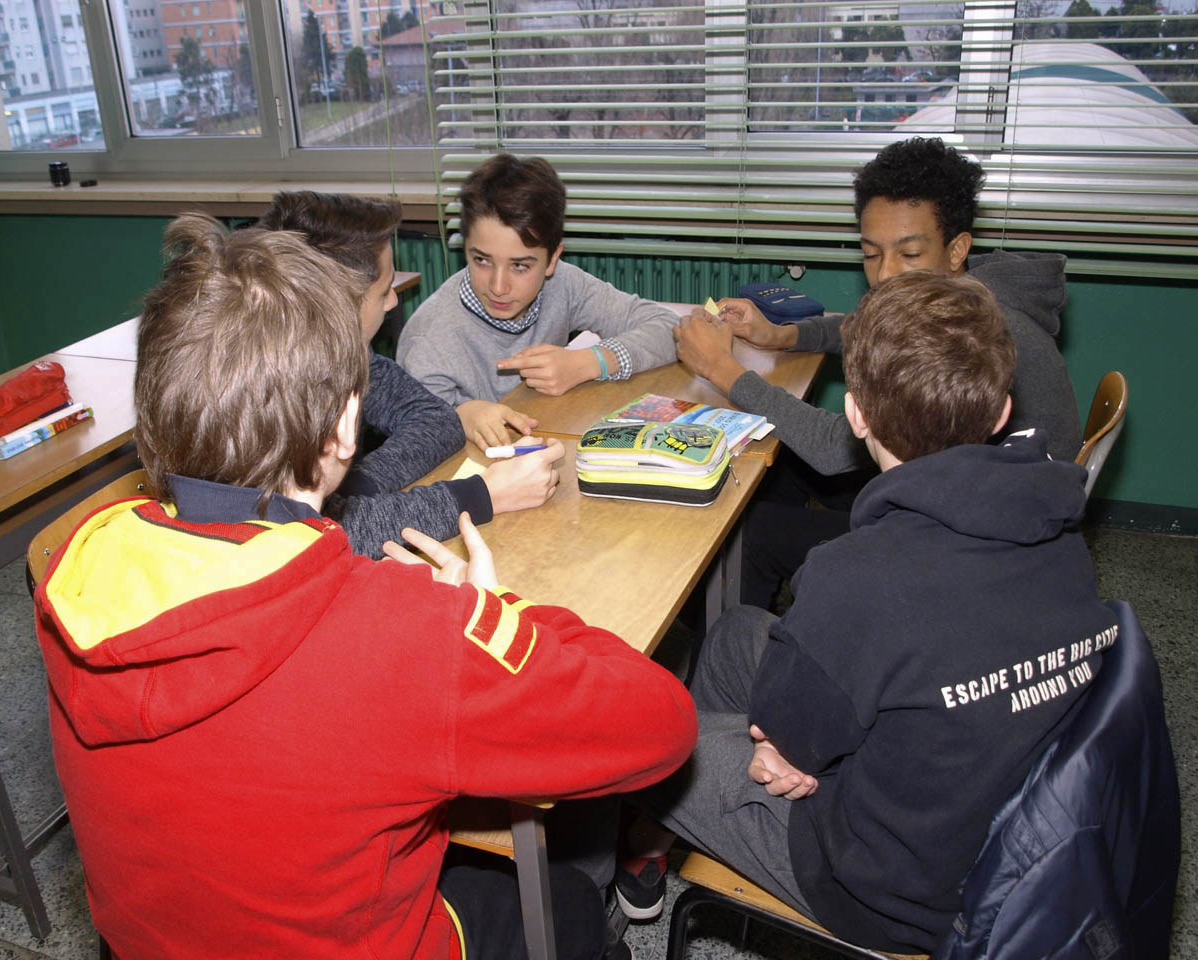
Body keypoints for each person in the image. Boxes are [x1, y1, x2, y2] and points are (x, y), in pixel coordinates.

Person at [34, 214, 698, 960]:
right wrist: (491, 610)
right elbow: (663, 727)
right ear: (345, 430)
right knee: (570, 903)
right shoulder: (407, 633)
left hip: (147, 945)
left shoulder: (82, 578)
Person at [614, 270, 1117, 954]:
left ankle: (619, 868)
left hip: (890, 887)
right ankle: (658, 838)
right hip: (987, 820)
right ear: (1002, 413)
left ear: (856, 416)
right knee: (736, 636)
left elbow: (791, 745)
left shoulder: (857, 574)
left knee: (648, 736)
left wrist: (785, 752)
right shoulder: (1059, 532)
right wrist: (791, 743)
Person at [672, 137, 1082, 606]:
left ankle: (757, 653)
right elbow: (863, 325)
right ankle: (822, 601)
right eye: (871, 253)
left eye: (908, 255)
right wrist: (783, 336)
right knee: (777, 458)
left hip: (977, 545)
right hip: (965, 490)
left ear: (956, 249)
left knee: (753, 530)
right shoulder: (963, 296)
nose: (886, 274)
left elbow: (832, 448)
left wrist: (721, 368)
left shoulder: (972, 330)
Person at [256, 190, 565, 559]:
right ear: (339, 301)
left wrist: (345, 492)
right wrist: (481, 495)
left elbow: (438, 421)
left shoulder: (351, 359)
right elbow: (309, 540)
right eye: (385, 289)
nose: (393, 301)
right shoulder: (260, 395)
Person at [397, 153, 680, 450]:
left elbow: (668, 327)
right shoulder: (427, 342)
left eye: (520, 266)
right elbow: (415, 452)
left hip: (549, 444)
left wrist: (590, 362)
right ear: (465, 249)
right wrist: (458, 419)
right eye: (481, 260)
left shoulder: (563, 285)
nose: (498, 286)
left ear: (552, 260)